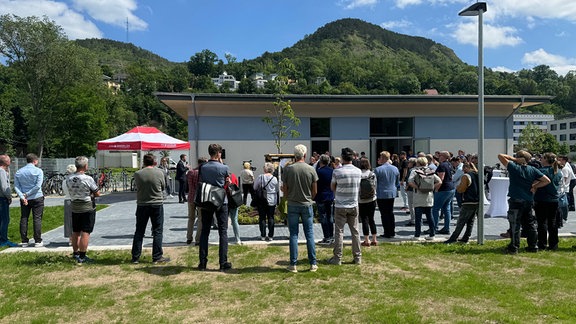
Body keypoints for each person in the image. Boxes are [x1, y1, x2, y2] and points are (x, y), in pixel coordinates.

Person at [498, 150, 550, 254]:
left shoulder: (514, 167)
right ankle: (533, 246)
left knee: (515, 224)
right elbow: (547, 180)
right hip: (528, 200)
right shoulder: (532, 169)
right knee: (530, 224)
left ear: (518, 158)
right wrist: (535, 186)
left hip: (516, 199)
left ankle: (514, 247)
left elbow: (500, 156)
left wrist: (514, 159)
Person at [282, 144, 318, 273]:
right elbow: (314, 190)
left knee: (293, 234)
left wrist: (288, 197)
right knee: (309, 234)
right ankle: (313, 263)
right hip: (306, 203)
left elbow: (284, 188)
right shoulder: (310, 169)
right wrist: (310, 198)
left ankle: (293, 264)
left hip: (292, 204)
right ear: (305, 155)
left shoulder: (288, 169)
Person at [197, 144, 232, 272]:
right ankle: (223, 263)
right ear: (218, 153)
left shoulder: (203, 167)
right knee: (222, 232)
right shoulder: (224, 167)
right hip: (221, 201)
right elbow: (227, 182)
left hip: (206, 199)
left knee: (205, 231)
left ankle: (203, 262)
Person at [131, 154, 170, 264]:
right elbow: (163, 186)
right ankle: (157, 256)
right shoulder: (159, 172)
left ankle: (135, 256)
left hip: (142, 204)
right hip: (156, 203)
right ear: (155, 162)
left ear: (143, 162)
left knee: (139, 231)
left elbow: (136, 187)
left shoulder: (138, 174)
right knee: (157, 230)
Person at [328, 147, 362, 265]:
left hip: (340, 204)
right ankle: (357, 257)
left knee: (339, 232)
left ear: (342, 158)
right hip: (353, 204)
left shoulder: (337, 171)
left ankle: (337, 258)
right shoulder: (358, 171)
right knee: (355, 231)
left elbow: (332, 187)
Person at [67, 156, 100, 263]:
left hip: (74, 205)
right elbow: (97, 193)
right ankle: (82, 256)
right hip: (86, 206)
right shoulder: (88, 178)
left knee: (75, 230)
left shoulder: (69, 178)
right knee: (85, 231)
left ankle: (75, 252)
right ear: (85, 166)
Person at [444, 162, 479, 244]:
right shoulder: (477, 175)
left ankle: (453, 238)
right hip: (476, 201)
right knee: (470, 221)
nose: (463, 170)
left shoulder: (466, 176)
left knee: (461, 221)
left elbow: (462, 189)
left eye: (464, 168)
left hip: (468, 201)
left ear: (466, 167)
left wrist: (458, 187)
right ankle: (466, 237)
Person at [407, 157, 441, 240]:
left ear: (417, 163)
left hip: (418, 196)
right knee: (430, 216)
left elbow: (410, 181)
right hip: (429, 196)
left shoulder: (415, 171)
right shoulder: (430, 171)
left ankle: (417, 235)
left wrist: (417, 187)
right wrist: (432, 188)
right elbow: (439, 181)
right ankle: (432, 234)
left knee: (418, 217)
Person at [14, 153, 44, 247]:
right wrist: (28, 194)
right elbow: (38, 186)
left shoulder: (19, 172)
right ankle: (37, 240)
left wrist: (23, 197)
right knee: (37, 218)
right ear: (35, 161)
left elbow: (16, 186)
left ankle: (24, 241)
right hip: (37, 196)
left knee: (24, 218)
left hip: (24, 199)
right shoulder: (38, 171)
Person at [533, 153, 562, 251]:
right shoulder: (558, 172)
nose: (540, 159)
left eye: (542, 158)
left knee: (542, 222)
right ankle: (554, 244)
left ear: (546, 160)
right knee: (553, 222)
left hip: (542, 199)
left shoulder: (541, 171)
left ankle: (542, 244)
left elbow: (535, 183)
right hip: (554, 200)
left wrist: (534, 186)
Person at [374, 151, 399, 238]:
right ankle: (392, 231)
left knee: (384, 214)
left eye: (380, 157)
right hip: (392, 192)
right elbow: (396, 182)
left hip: (382, 193)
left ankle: (387, 232)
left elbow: (375, 183)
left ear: (383, 158)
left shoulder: (378, 170)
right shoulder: (395, 169)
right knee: (390, 212)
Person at [431, 151, 455, 235]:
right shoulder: (449, 164)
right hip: (451, 188)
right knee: (446, 208)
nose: (438, 156)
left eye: (439, 155)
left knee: (435, 208)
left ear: (443, 156)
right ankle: (446, 228)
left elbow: (441, 178)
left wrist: (436, 189)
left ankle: (433, 228)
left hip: (443, 189)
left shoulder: (442, 165)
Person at [254, 162, 278, 242]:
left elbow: (255, 187)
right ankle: (271, 235)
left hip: (262, 199)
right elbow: (277, 189)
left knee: (262, 217)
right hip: (272, 199)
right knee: (271, 217)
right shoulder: (274, 178)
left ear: (265, 169)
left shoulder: (260, 177)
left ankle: (263, 235)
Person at [186, 157, 207, 245]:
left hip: (191, 197)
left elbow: (189, 185)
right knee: (200, 219)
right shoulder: (203, 173)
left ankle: (189, 237)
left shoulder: (191, 172)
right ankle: (198, 239)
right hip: (200, 198)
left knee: (191, 218)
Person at [314, 154, 335, 245]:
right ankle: (331, 236)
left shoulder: (318, 172)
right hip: (330, 196)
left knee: (323, 217)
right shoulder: (332, 171)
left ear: (320, 161)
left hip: (321, 197)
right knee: (330, 217)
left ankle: (326, 237)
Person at [358, 158, 378, 247]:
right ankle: (374, 239)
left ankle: (366, 240)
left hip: (361, 200)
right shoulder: (372, 174)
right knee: (371, 219)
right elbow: (375, 186)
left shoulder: (358, 174)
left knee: (364, 220)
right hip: (372, 199)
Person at [0, 155, 17, 247]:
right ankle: (3, 240)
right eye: (9, 160)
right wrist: (9, 196)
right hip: (2, 198)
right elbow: (4, 186)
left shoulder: (4, 171)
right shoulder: (2, 171)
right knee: (5, 219)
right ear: (4, 162)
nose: (10, 161)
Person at [62, 164, 77, 246]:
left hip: (67, 200)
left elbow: (64, 191)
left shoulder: (64, 181)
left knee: (68, 220)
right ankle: (77, 237)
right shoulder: (76, 180)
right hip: (76, 200)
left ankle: (70, 238)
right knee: (77, 220)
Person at [228, 172, 243, 244]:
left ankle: (223, 238)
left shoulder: (221, 177)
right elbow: (236, 186)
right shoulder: (233, 176)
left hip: (224, 200)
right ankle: (237, 238)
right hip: (233, 200)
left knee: (223, 221)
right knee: (234, 220)